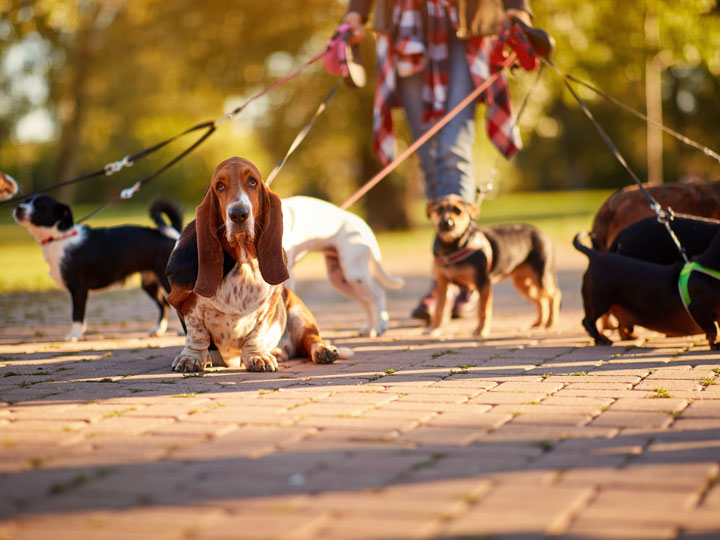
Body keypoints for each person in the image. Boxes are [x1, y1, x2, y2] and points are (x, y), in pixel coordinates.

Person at [342, 0, 533, 321]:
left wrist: (517, 7)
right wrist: (356, 13)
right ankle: (447, 277)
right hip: (405, 25)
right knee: (428, 155)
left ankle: (464, 274)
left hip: (463, 25)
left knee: (451, 148)